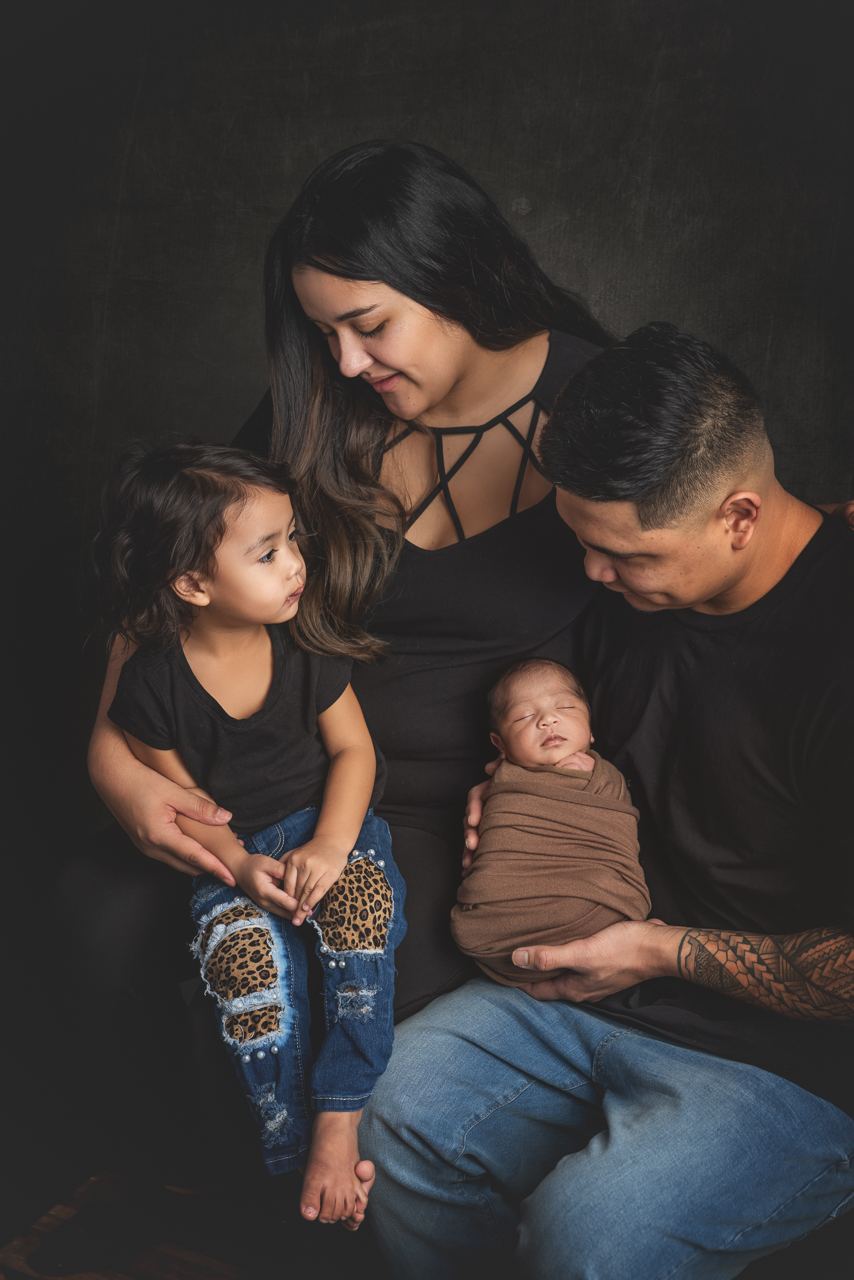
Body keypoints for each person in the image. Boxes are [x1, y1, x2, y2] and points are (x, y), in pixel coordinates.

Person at [43, 140, 612, 1273]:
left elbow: (681, 602)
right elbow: (171, 569)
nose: (342, 361)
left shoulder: (593, 410)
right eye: (322, 332)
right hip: (258, 759)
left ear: (453, 276)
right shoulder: (320, 401)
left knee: (360, 947)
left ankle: (299, 1219)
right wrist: (116, 760)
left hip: (447, 801)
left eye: (367, 324)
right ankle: (203, 1195)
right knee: (98, 907)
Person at [360, 322, 854, 1279]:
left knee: (592, 1234)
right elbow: (572, 695)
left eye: (625, 556)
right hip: (587, 991)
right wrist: (522, 780)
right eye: (580, 541)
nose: (592, 573)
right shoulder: (632, 584)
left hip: (789, 1063)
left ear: (739, 517)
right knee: (389, 1107)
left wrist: (659, 950)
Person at [96, 440, 406, 1227]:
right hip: (231, 854)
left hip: (332, 830)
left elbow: (354, 750)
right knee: (247, 974)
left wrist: (333, 846)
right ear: (193, 583)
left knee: (359, 920)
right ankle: (293, 1153)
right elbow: (188, 803)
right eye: (268, 553)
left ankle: (340, 1121)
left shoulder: (302, 640)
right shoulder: (153, 680)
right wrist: (239, 868)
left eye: (292, 539)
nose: (296, 563)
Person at [450, 657, 650, 986]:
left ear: (590, 727)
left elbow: (618, 838)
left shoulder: (607, 780)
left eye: (566, 708)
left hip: (598, 907)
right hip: (504, 923)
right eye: (525, 715)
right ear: (500, 744)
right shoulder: (502, 784)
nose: (548, 720)